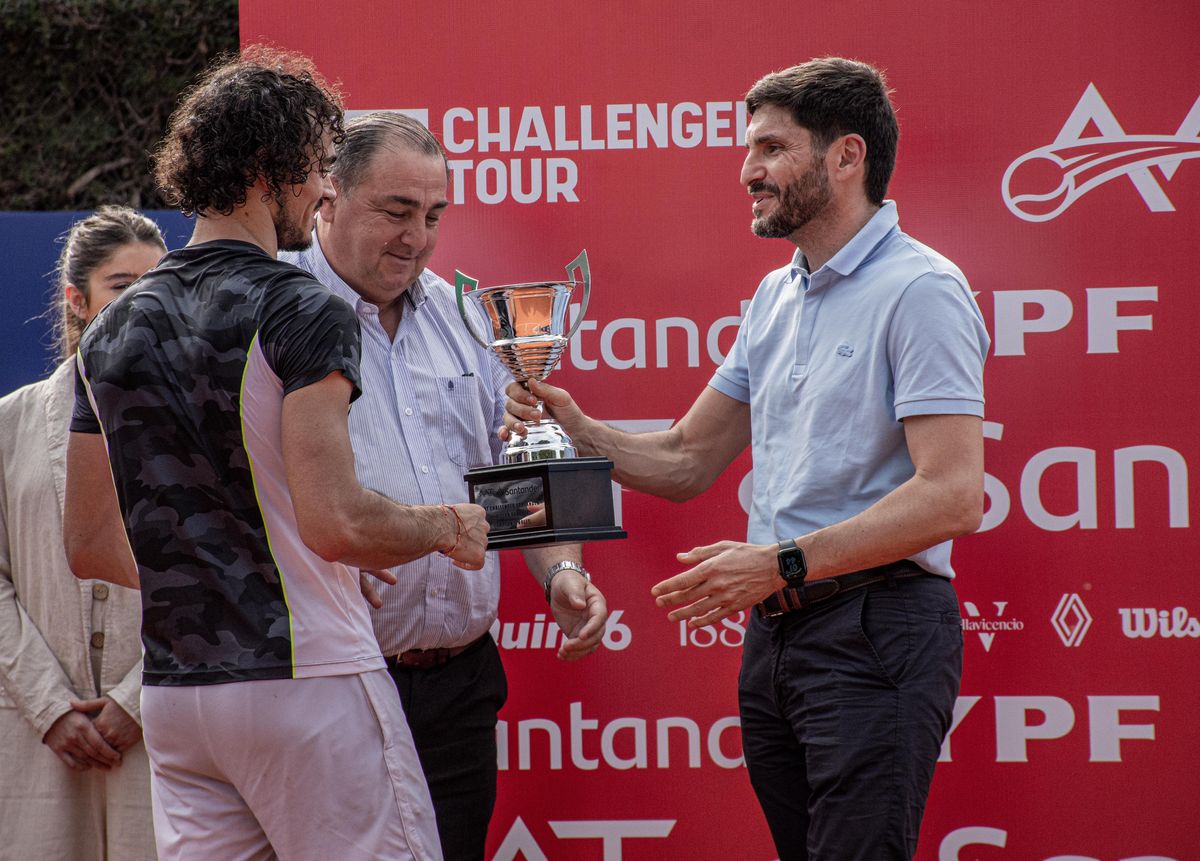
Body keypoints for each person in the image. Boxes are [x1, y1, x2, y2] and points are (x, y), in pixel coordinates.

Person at [504, 57, 989, 859]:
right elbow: (686, 457)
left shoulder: (922, 289)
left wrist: (781, 562)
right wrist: (579, 430)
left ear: (847, 155)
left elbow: (953, 495)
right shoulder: (775, 296)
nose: (747, 171)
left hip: (876, 627)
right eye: (749, 148)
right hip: (777, 636)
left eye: (772, 148)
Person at [63, 49, 488, 861]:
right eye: (319, 167)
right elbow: (338, 522)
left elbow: (89, 544)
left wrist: (237, 565)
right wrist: (447, 525)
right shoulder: (302, 306)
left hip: (181, 699)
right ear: (269, 166)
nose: (325, 188)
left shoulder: (110, 326)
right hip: (310, 680)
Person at [280, 111, 609, 861]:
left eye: (433, 216)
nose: (417, 238)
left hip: (460, 684)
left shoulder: (467, 317)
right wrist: (317, 559)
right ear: (329, 195)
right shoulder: (278, 307)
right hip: (332, 680)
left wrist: (561, 572)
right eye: (396, 211)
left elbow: (516, 473)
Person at [0, 206, 165, 860]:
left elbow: (220, 576)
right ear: (77, 299)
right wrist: (49, 707)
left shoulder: (203, 426)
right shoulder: (9, 425)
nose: (145, 305)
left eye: (159, 287)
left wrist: (137, 701)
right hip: (37, 740)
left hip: (159, 734)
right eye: (123, 287)